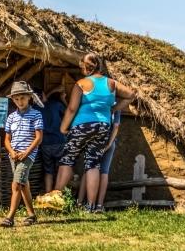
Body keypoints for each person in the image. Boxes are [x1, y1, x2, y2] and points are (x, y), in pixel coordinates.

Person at [55, 52, 133, 213]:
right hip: (103, 126)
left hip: (82, 125)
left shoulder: (81, 84)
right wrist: (113, 109)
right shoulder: (112, 83)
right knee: (93, 164)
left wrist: (63, 127)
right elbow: (130, 95)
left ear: (85, 67)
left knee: (67, 160)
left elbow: (71, 109)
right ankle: (91, 206)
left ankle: (54, 200)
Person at [0, 81, 44, 228]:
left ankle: (10, 217)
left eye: (23, 98)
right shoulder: (11, 117)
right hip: (14, 155)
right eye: (17, 99)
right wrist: (12, 152)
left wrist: (26, 152)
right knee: (24, 184)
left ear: (29, 97)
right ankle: (31, 215)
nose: (20, 102)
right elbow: (7, 139)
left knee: (16, 184)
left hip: (28, 155)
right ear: (13, 100)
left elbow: (38, 138)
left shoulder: (36, 114)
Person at [78, 110, 121, 212]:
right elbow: (116, 126)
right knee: (104, 171)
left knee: (88, 169)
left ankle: (79, 203)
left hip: (96, 139)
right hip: (110, 140)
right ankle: (99, 205)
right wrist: (109, 144)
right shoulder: (116, 107)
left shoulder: (98, 104)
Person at [33, 86, 69, 193]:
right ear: (43, 94)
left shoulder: (35, 110)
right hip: (59, 141)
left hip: (45, 143)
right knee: (66, 167)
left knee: (48, 171)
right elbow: (69, 112)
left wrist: (53, 90)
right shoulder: (56, 105)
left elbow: (42, 102)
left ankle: (48, 195)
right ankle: (58, 194)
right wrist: (63, 98)